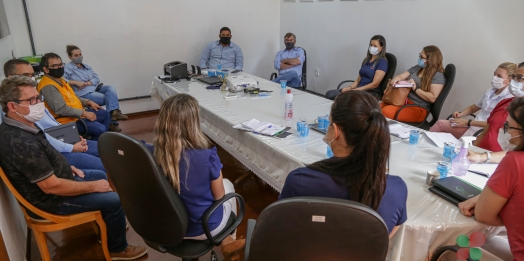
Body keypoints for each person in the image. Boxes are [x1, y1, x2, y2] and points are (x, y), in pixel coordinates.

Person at [0, 76, 147, 260]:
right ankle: (117, 249)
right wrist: (93, 187)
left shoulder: (24, 124)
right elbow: (51, 187)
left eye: (39, 98)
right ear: (12, 106)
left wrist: (68, 166)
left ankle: (109, 226)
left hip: (60, 180)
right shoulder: (18, 142)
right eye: (32, 100)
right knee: (114, 199)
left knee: (100, 174)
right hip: (52, 200)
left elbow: (44, 160)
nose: (39, 104)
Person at [279, 91, 408, 238]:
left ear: (335, 131)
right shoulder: (397, 189)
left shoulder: (300, 180)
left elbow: (282, 230)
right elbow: (381, 242)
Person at [151, 94, 244, 260]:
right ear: (193, 123)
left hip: (168, 228)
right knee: (227, 186)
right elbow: (219, 196)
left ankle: (227, 242)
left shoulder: (149, 154)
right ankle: (228, 241)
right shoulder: (207, 156)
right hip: (204, 229)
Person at [3, 59, 104, 171]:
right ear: (10, 77)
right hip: (55, 150)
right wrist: (72, 147)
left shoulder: (36, 93)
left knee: (107, 149)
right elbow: (43, 138)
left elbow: (51, 123)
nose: (31, 78)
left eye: (32, 75)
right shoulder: (18, 111)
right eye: (26, 75)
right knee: (102, 164)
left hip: (62, 137)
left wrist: (72, 135)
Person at [459, 97, 524, 260]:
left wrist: (488, 202)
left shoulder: (515, 161)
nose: (505, 131)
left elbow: (483, 215)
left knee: (453, 246)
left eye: (508, 126)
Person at [430, 62, 515, 139]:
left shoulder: (509, 100)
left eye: (499, 76)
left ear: (509, 80)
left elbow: (494, 125)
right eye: (494, 74)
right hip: (471, 125)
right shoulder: (490, 92)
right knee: (442, 133)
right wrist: (461, 114)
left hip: (482, 131)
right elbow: (473, 108)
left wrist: (468, 122)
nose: (494, 78)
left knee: (441, 125)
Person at [37, 53, 110, 141]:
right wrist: (84, 113)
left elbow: (73, 97)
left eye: (60, 64)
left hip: (76, 115)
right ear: (46, 69)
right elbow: (60, 109)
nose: (59, 67)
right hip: (67, 121)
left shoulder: (61, 80)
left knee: (105, 114)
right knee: (100, 129)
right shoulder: (48, 86)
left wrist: (88, 102)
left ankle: (98, 141)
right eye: (55, 66)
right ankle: (94, 146)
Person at [64, 45, 127, 132]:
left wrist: (87, 83)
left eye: (80, 54)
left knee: (110, 88)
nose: (79, 57)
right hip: (83, 93)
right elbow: (62, 81)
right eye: (76, 55)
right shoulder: (67, 68)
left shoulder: (87, 66)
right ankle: (113, 122)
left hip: (94, 88)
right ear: (70, 57)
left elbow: (96, 78)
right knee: (109, 98)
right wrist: (75, 82)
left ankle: (114, 114)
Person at [381, 45, 446, 122]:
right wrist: (396, 79)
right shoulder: (418, 68)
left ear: (430, 60)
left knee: (385, 112)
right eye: (420, 55)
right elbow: (402, 75)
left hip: (418, 108)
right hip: (403, 101)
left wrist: (415, 88)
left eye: (422, 57)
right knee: (376, 108)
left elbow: (432, 98)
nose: (419, 58)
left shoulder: (438, 76)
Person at [470, 63, 524, 152]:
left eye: (519, 78)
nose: (514, 81)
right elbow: (485, 132)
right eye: (514, 77)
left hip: (498, 160)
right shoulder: (505, 102)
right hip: (480, 153)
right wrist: (471, 150)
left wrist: (486, 157)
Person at [325, 35, 388, 100]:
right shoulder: (366, 60)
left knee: (346, 99)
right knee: (330, 94)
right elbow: (358, 80)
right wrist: (349, 88)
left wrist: (357, 90)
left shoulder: (382, 62)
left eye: (375, 46)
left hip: (370, 92)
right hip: (358, 88)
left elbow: (375, 84)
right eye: (371, 45)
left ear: (381, 48)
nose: (372, 47)